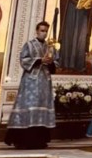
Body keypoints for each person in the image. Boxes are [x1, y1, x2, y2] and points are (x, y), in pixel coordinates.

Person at [5, 20, 56, 149]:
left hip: (44, 82)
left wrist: (50, 62)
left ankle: (39, 140)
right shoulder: (29, 45)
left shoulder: (50, 47)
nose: (44, 33)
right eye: (42, 31)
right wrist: (39, 60)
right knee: (29, 106)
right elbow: (24, 60)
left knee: (41, 107)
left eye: (46, 31)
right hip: (30, 81)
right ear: (37, 31)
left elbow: (55, 64)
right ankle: (23, 140)